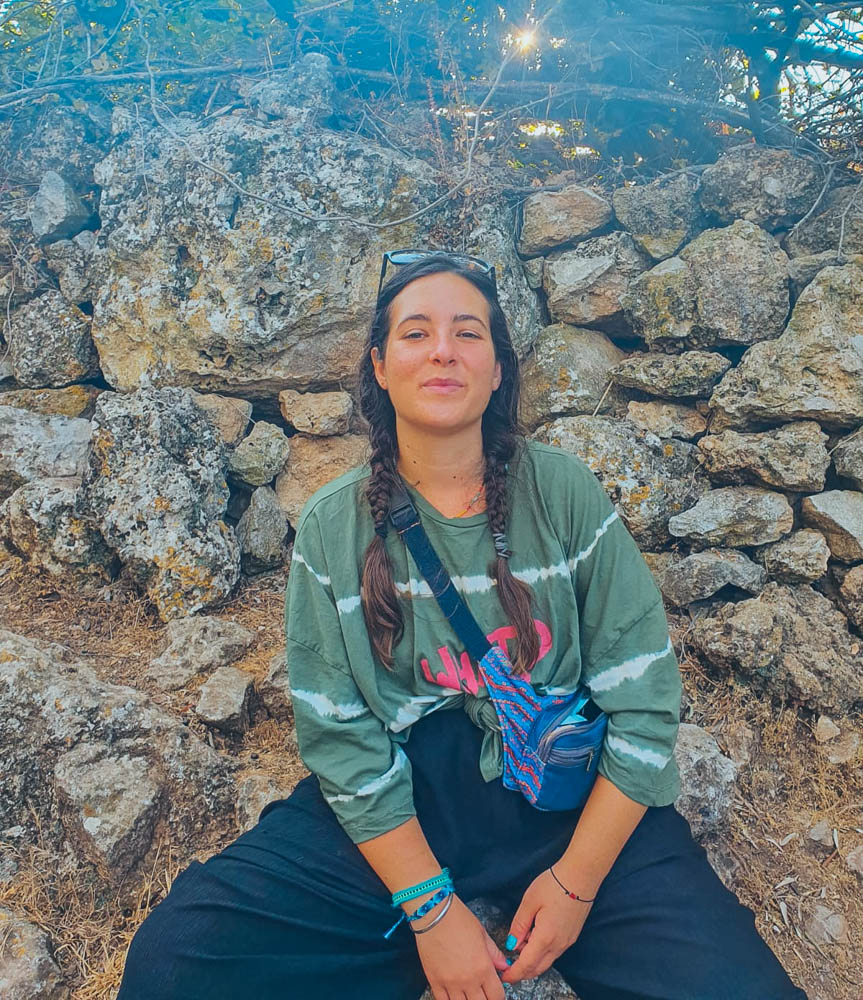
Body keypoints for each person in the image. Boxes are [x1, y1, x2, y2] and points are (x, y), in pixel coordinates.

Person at [117, 250, 807, 1000]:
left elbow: (642, 701)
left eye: (467, 332)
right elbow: (341, 737)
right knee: (178, 963)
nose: (443, 348)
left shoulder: (564, 494)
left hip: (563, 796)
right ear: (379, 366)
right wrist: (429, 909)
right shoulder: (331, 528)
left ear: (498, 367)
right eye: (415, 333)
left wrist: (575, 887)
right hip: (408, 799)